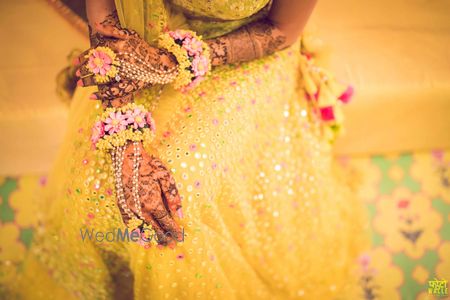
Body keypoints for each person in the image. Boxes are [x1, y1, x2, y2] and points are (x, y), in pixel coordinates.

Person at [17, 0, 368, 298]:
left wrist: (174, 62)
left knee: (177, 198)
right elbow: (109, 34)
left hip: (249, 53)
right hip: (139, 41)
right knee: (94, 186)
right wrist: (124, 142)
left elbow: (281, 31)